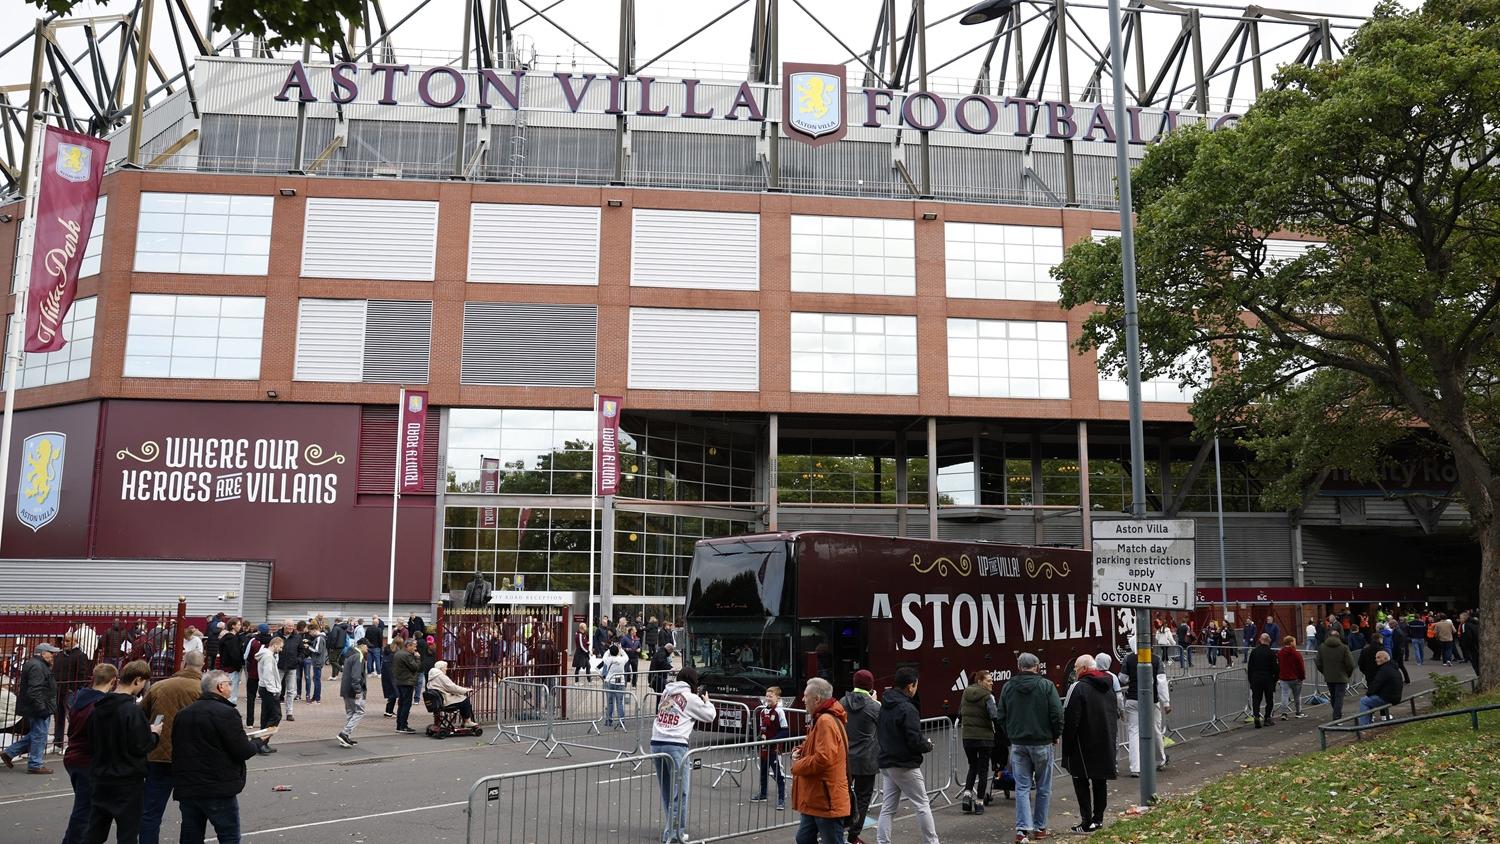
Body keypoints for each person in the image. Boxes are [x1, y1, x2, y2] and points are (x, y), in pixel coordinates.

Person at [172, 670, 266, 844]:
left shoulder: (183, 714)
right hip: (216, 786)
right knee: (228, 835)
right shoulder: (226, 713)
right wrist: (257, 743)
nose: (231, 687)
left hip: (188, 785)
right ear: (220, 687)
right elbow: (242, 750)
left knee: (190, 835)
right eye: (229, 684)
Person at [84, 660, 161, 844]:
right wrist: (154, 735)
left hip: (101, 777)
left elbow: (91, 741)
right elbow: (141, 746)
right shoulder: (132, 711)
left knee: (95, 831)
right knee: (127, 834)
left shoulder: (97, 708)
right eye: (143, 683)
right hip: (127, 782)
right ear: (137, 680)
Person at [140, 651, 206, 844]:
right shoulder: (203, 690)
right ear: (202, 666)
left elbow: (141, 715)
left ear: (184, 663)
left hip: (158, 754)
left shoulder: (159, 686)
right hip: (190, 759)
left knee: (151, 811)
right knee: (192, 812)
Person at [998, 653, 1061, 843]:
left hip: (1018, 743)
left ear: (1019, 666)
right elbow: (1057, 713)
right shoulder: (1046, 686)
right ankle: (1040, 828)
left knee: (1022, 787)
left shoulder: (1008, 687)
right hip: (1042, 742)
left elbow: (1001, 714)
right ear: (1037, 666)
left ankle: (1022, 830)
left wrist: (1011, 732)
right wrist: (1055, 734)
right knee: (1043, 787)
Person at [650, 667, 717, 843]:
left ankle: (671, 828)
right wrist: (708, 702)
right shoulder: (691, 698)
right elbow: (710, 715)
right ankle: (674, 833)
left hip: (656, 741)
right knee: (680, 792)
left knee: (667, 790)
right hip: (676, 744)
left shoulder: (666, 692)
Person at [875, 666, 939, 844]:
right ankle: (932, 842)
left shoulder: (885, 705)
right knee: (922, 804)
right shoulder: (907, 708)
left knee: (888, 808)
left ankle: (883, 841)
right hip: (904, 764)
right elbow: (914, 739)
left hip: (887, 762)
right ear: (910, 686)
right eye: (916, 685)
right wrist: (926, 745)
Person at [1061, 655, 1118, 835]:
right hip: (1105, 740)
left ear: (1084, 669)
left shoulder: (1078, 688)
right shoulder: (1109, 685)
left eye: (1076, 668)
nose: (1075, 672)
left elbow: (1070, 718)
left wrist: (1067, 747)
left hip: (1082, 745)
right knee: (1100, 782)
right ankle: (1098, 819)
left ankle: (1086, 822)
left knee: (1081, 782)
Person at [62, 664, 118, 844]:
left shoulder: (80, 700)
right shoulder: (99, 705)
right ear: (113, 681)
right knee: (84, 808)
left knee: (87, 806)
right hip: (87, 759)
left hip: (74, 755)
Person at [792, 677, 850, 844]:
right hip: (817, 797)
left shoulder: (825, 720)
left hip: (825, 798)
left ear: (817, 699)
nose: (803, 700)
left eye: (805, 696)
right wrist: (800, 750)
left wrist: (797, 766)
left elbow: (823, 758)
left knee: (830, 840)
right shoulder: (822, 717)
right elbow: (814, 745)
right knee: (804, 838)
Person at [2, 641, 59, 775]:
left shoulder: (37, 664)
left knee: (37, 734)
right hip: (39, 707)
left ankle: (9, 753)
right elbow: (35, 690)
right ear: (42, 653)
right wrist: (42, 708)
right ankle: (35, 764)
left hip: (38, 705)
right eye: (51, 653)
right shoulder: (37, 666)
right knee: (39, 735)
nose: (53, 656)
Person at [840, 669, 881, 844]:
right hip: (866, 759)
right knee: (863, 798)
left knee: (842, 795)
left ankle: (836, 831)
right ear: (871, 686)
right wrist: (876, 702)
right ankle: (853, 836)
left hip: (845, 759)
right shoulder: (874, 706)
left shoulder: (842, 702)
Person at [1121, 648, 1170, 775]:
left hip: (1132, 699)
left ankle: (1135, 767)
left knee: (1133, 733)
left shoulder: (1129, 658)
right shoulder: (1155, 659)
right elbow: (1161, 682)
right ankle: (1160, 760)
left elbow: (1124, 678)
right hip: (1151, 699)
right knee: (1155, 730)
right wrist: (1166, 702)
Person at [959, 670, 999, 814]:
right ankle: (979, 802)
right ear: (980, 681)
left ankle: (967, 794)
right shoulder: (988, 697)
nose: (991, 682)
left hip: (968, 737)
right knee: (983, 770)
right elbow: (994, 716)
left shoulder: (965, 693)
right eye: (988, 680)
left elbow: (960, 712)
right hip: (985, 738)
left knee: (972, 766)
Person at [751, 686, 789, 809]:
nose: (768, 699)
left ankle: (781, 798)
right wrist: (758, 738)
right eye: (766, 696)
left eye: (770, 696)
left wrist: (773, 740)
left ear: (777, 698)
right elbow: (763, 728)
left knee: (778, 773)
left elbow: (785, 730)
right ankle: (763, 794)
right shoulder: (763, 711)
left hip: (774, 748)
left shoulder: (779, 711)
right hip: (763, 747)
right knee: (763, 771)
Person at [54, 634, 92, 752]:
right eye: (63, 640)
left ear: (75, 641)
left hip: (70, 691)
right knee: (58, 717)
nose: (64, 643)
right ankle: (58, 742)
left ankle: (74, 743)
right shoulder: (59, 655)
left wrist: (74, 688)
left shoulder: (80, 655)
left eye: (67, 641)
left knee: (73, 718)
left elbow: (83, 674)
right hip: (58, 689)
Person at [1358, 650, 1404, 726]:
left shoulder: (1384, 670)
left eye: (1379, 657)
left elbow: (1376, 685)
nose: (1376, 659)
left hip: (1388, 698)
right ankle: (1368, 721)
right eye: (1376, 658)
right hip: (1395, 696)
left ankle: (1364, 726)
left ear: (1385, 659)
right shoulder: (1393, 667)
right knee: (1369, 699)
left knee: (1364, 701)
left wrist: (1368, 694)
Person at [255, 636, 284, 755]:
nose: (281, 649)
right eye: (280, 647)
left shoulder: (266, 655)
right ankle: (261, 742)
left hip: (264, 688)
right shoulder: (268, 656)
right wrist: (274, 690)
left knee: (266, 716)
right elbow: (268, 675)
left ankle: (262, 743)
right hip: (269, 690)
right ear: (275, 645)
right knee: (276, 716)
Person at [427, 660, 479, 726]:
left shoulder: (432, 676)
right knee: (465, 700)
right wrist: (465, 690)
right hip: (445, 700)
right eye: (445, 667)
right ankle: (467, 721)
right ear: (441, 668)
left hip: (439, 700)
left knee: (461, 699)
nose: (446, 669)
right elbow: (452, 687)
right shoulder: (441, 676)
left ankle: (466, 721)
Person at [338, 641, 369, 747]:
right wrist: (357, 690)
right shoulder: (358, 656)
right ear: (362, 646)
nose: (368, 649)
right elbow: (356, 675)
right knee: (359, 711)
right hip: (353, 690)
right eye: (367, 646)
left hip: (346, 688)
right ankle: (345, 733)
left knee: (351, 712)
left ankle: (346, 738)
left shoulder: (349, 653)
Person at [391, 639, 421, 734]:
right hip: (407, 682)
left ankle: (400, 725)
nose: (415, 649)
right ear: (408, 646)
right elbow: (415, 667)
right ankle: (403, 726)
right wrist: (417, 658)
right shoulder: (407, 655)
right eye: (414, 646)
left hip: (400, 681)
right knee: (406, 704)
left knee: (401, 703)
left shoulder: (398, 653)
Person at [1247, 633, 1278, 728]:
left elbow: (1250, 667)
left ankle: (1256, 716)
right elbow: (1276, 669)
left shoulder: (1254, 652)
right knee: (1269, 699)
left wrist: (1251, 680)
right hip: (1268, 678)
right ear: (1269, 641)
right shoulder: (1271, 653)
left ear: (1260, 640)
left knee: (1256, 699)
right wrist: (1275, 680)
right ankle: (1267, 718)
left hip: (1256, 678)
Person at [1276, 636, 1307, 720]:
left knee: (1284, 695)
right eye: (1294, 641)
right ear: (1291, 643)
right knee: (1297, 696)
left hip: (1284, 677)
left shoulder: (1280, 653)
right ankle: (1298, 712)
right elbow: (1301, 666)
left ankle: (1284, 713)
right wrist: (1302, 677)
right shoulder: (1296, 653)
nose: (1295, 643)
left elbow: (1278, 665)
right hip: (1295, 678)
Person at [600, 643, 630, 728]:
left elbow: (604, 655)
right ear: (618, 652)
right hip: (620, 682)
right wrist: (620, 649)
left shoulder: (608, 659)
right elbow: (626, 656)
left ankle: (609, 720)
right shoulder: (622, 659)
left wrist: (609, 649)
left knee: (610, 702)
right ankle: (621, 720)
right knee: (620, 703)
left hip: (609, 681)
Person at [307, 623, 327, 703]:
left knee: (316, 680)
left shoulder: (319, 638)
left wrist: (308, 647)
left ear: (314, 630)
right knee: (316, 679)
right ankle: (315, 697)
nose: (310, 634)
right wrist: (310, 642)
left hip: (317, 661)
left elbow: (317, 650)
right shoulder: (320, 638)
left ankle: (317, 699)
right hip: (318, 661)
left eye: (310, 632)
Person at [1459, 611, 1481, 678]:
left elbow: (1468, 637)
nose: (1460, 620)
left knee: (1475, 663)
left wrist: (1465, 646)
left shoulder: (1465, 625)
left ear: (1464, 618)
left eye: (1461, 618)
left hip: (1472, 647)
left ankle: (1479, 676)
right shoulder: (1475, 623)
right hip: (1477, 645)